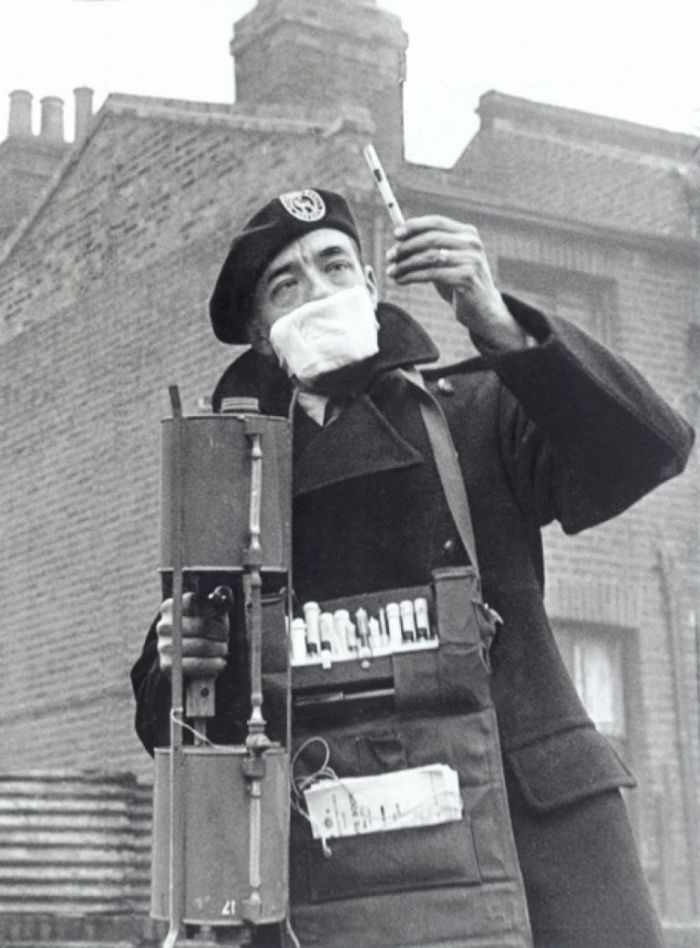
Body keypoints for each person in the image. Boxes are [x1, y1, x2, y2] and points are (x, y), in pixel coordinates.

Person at [132, 187, 694, 948]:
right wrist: (176, 658)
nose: (318, 290)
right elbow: (184, 712)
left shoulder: (478, 409)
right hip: (333, 868)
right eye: (286, 284)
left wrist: (498, 323)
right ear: (262, 337)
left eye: (335, 265)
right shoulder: (233, 477)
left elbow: (649, 447)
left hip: (529, 844)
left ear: (370, 285)